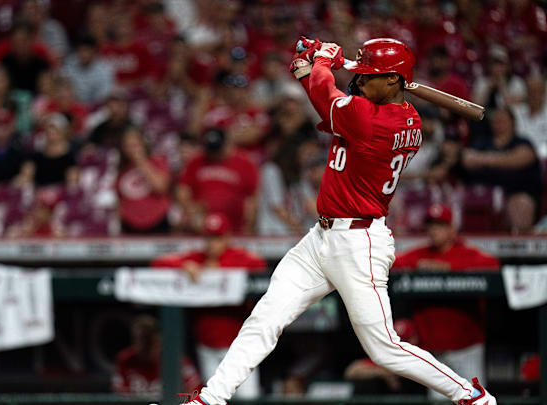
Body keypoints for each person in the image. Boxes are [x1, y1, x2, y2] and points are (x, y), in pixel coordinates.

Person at [183, 38, 495, 405]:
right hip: (321, 238)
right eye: (359, 75)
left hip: (359, 243)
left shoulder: (376, 121)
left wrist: (322, 62)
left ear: (394, 82)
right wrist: (315, 71)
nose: (359, 82)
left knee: (384, 349)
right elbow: (334, 99)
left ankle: (472, 397)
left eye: (368, 77)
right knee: (265, 317)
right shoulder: (400, 114)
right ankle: (210, 399)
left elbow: (329, 98)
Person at [392, 204, 500, 401]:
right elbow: (394, 263)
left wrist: (449, 268)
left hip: (467, 351)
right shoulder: (421, 254)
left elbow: (493, 265)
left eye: (440, 225)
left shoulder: (466, 253)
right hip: (435, 355)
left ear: (452, 229)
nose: (434, 230)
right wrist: (418, 266)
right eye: (431, 225)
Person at [152, 213, 266, 398]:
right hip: (207, 348)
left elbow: (259, 264)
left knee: (248, 398)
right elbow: (158, 263)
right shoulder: (197, 258)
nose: (213, 244)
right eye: (209, 238)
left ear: (227, 238)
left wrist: (219, 271)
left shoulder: (237, 257)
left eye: (218, 238)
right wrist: (185, 266)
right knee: (216, 400)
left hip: (240, 348)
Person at [462, 108, 542, 234]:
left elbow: (522, 158)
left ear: (513, 123)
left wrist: (483, 160)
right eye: (495, 121)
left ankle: (518, 248)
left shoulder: (522, 142)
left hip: (515, 194)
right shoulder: (482, 142)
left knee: (521, 204)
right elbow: (467, 159)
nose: (498, 124)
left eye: (502, 120)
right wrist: (503, 159)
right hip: (485, 195)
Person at [177, 128, 258, 234]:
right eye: (211, 149)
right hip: (203, 226)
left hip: (234, 226)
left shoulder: (244, 164)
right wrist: (189, 207)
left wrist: (249, 226)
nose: (214, 154)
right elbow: (183, 190)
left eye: (217, 149)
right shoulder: (197, 162)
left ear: (227, 145)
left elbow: (252, 198)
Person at [112, 315, 201, 396]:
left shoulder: (176, 361)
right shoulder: (126, 359)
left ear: (159, 342)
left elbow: (195, 391)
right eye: (142, 342)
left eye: (150, 343)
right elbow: (120, 393)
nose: (146, 349)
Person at [117, 126, 171, 234]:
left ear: (143, 144)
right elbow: (119, 200)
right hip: (130, 226)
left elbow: (160, 187)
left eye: (135, 144)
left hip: (157, 223)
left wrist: (141, 161)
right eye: (128, 145)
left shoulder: (157, 161)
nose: (132, 149)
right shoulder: (122, 169)